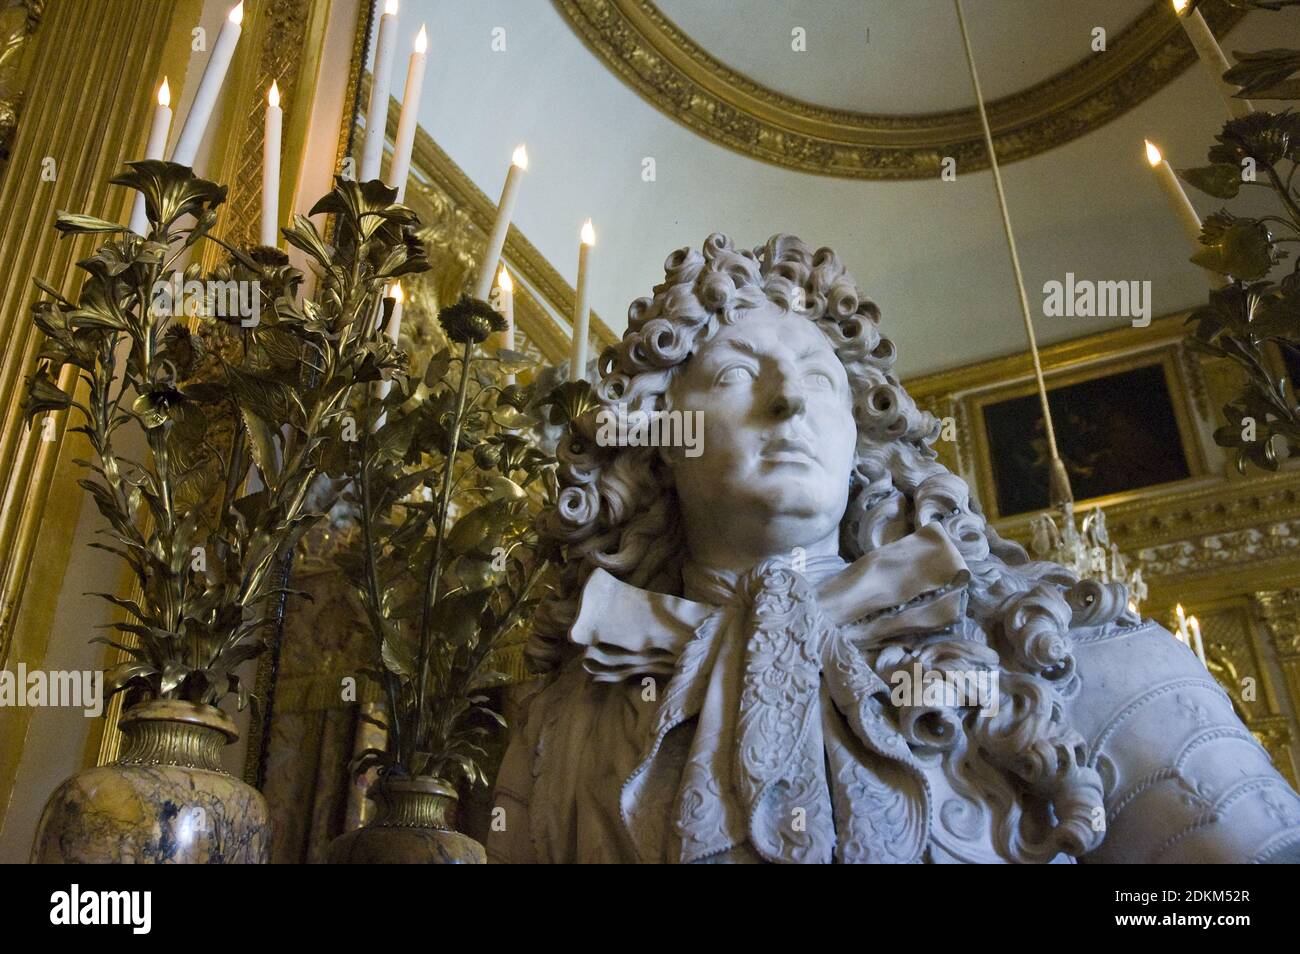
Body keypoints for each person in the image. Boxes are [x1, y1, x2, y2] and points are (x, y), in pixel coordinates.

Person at [489, 233, 1300, 864]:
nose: (788, 402)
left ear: (861, 435)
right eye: (736, 376)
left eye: (820, 380)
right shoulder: (560, 725)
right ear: (660, 436)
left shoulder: (1063, 654)